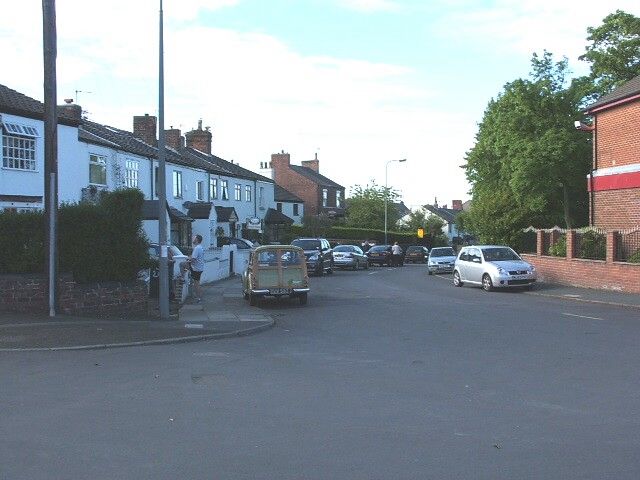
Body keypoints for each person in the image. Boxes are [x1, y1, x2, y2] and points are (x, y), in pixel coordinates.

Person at [189, 234, 205, 302]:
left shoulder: (196, 248)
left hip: (196, 268)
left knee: (182, 264)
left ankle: (199, 298)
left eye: (194, 238)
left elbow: (194, 259)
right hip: (200, 268)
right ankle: (199, 297)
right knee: (197, 283)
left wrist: (189, 261)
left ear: (197, 240)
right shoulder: (200, 247)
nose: (193, 239)